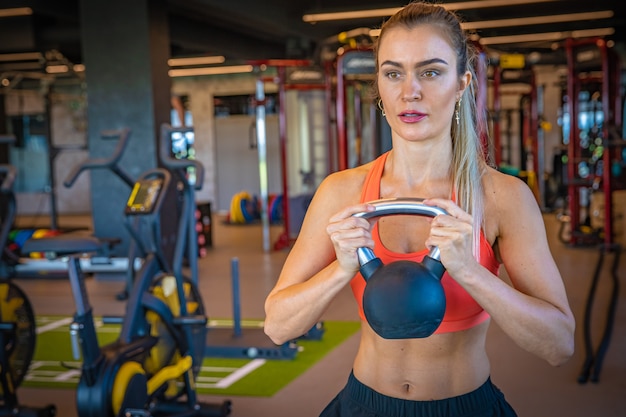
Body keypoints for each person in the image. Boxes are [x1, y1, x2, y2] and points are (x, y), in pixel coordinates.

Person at [264, 2, 575, 416]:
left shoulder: (502, 198)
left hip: (465, 405)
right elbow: (278, 326)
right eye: (394, 73)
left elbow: (559, 345)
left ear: (462, 83)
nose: (410, 91)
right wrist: (340, 268)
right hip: (364, 404)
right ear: (379, 84)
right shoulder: (343, 192)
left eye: (430, 72)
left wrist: (469, 270)